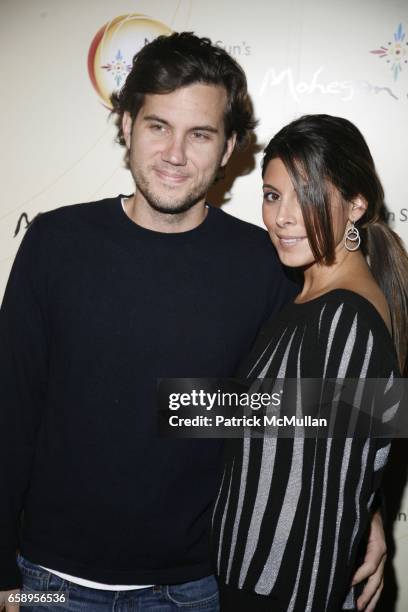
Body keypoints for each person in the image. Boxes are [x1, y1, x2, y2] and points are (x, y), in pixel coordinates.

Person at [0, 34, 386, 612]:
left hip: (194, 591)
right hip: (49, 585)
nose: (175, 154)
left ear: (230, 145)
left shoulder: (270, 264)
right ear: (127, 124)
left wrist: (365, 509)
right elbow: (9, 412)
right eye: (158, 126)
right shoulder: (55, 244)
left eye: (200, 134)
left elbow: (329, 407)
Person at [212, 114, 408, 612]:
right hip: (245, 584)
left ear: (357, 204)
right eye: (273, 195)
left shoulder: (346, 320)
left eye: (307, 195)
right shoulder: (308, 298)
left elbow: (329, 514)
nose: (282, 217)